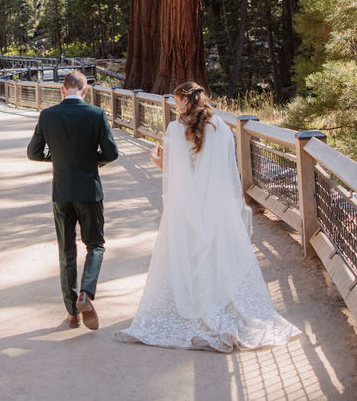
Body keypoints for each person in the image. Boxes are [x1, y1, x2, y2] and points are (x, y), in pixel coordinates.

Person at [116, 81, 300, 352]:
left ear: (185, 102)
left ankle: (196, 301)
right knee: (216, 252)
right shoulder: (221, 129)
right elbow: (228, 170)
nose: (175, 105)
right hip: (216, 205)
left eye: (177, 100)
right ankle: (219, 300)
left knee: (188, 252)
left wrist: (158, 161)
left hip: (187, 206)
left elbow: (175, 170)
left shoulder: (175, 130)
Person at [27, 70, 118, 330]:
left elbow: (33, 153)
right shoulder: (96, 114)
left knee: (66, 250)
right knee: (95, 245)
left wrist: (57, 159)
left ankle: (72, 314)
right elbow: (111, 152)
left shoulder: (48, 115)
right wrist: (91, 161)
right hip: (90, 190)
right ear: (85, 90)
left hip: (62, 192)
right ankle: (86, 294)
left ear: (62, 89)